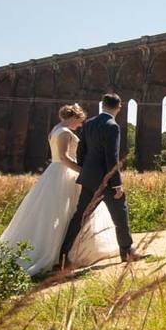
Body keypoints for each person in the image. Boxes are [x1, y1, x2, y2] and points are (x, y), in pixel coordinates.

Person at [0, 104, 120, 284]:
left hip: (55, 174)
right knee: (63, 214)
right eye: (80, 121)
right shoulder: (65, 133)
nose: (81, 125)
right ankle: (54, 255)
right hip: (63, 174)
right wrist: (82, 170)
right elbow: (63, 158)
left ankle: (63, 253)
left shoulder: (55, 130)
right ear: (74, 118)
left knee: (59, 214)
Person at [59, 93, 142, 265]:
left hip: (89, 179)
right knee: (120, 215)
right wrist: (117, 184)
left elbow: (81, 151)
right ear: (118, 107)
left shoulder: (88, 124)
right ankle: (126, 251)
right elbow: (112, 157)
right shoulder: (112, 126)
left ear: (103, 105)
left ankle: (63, 256)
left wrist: (85, 170)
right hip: (106, 182)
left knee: (79, 216)